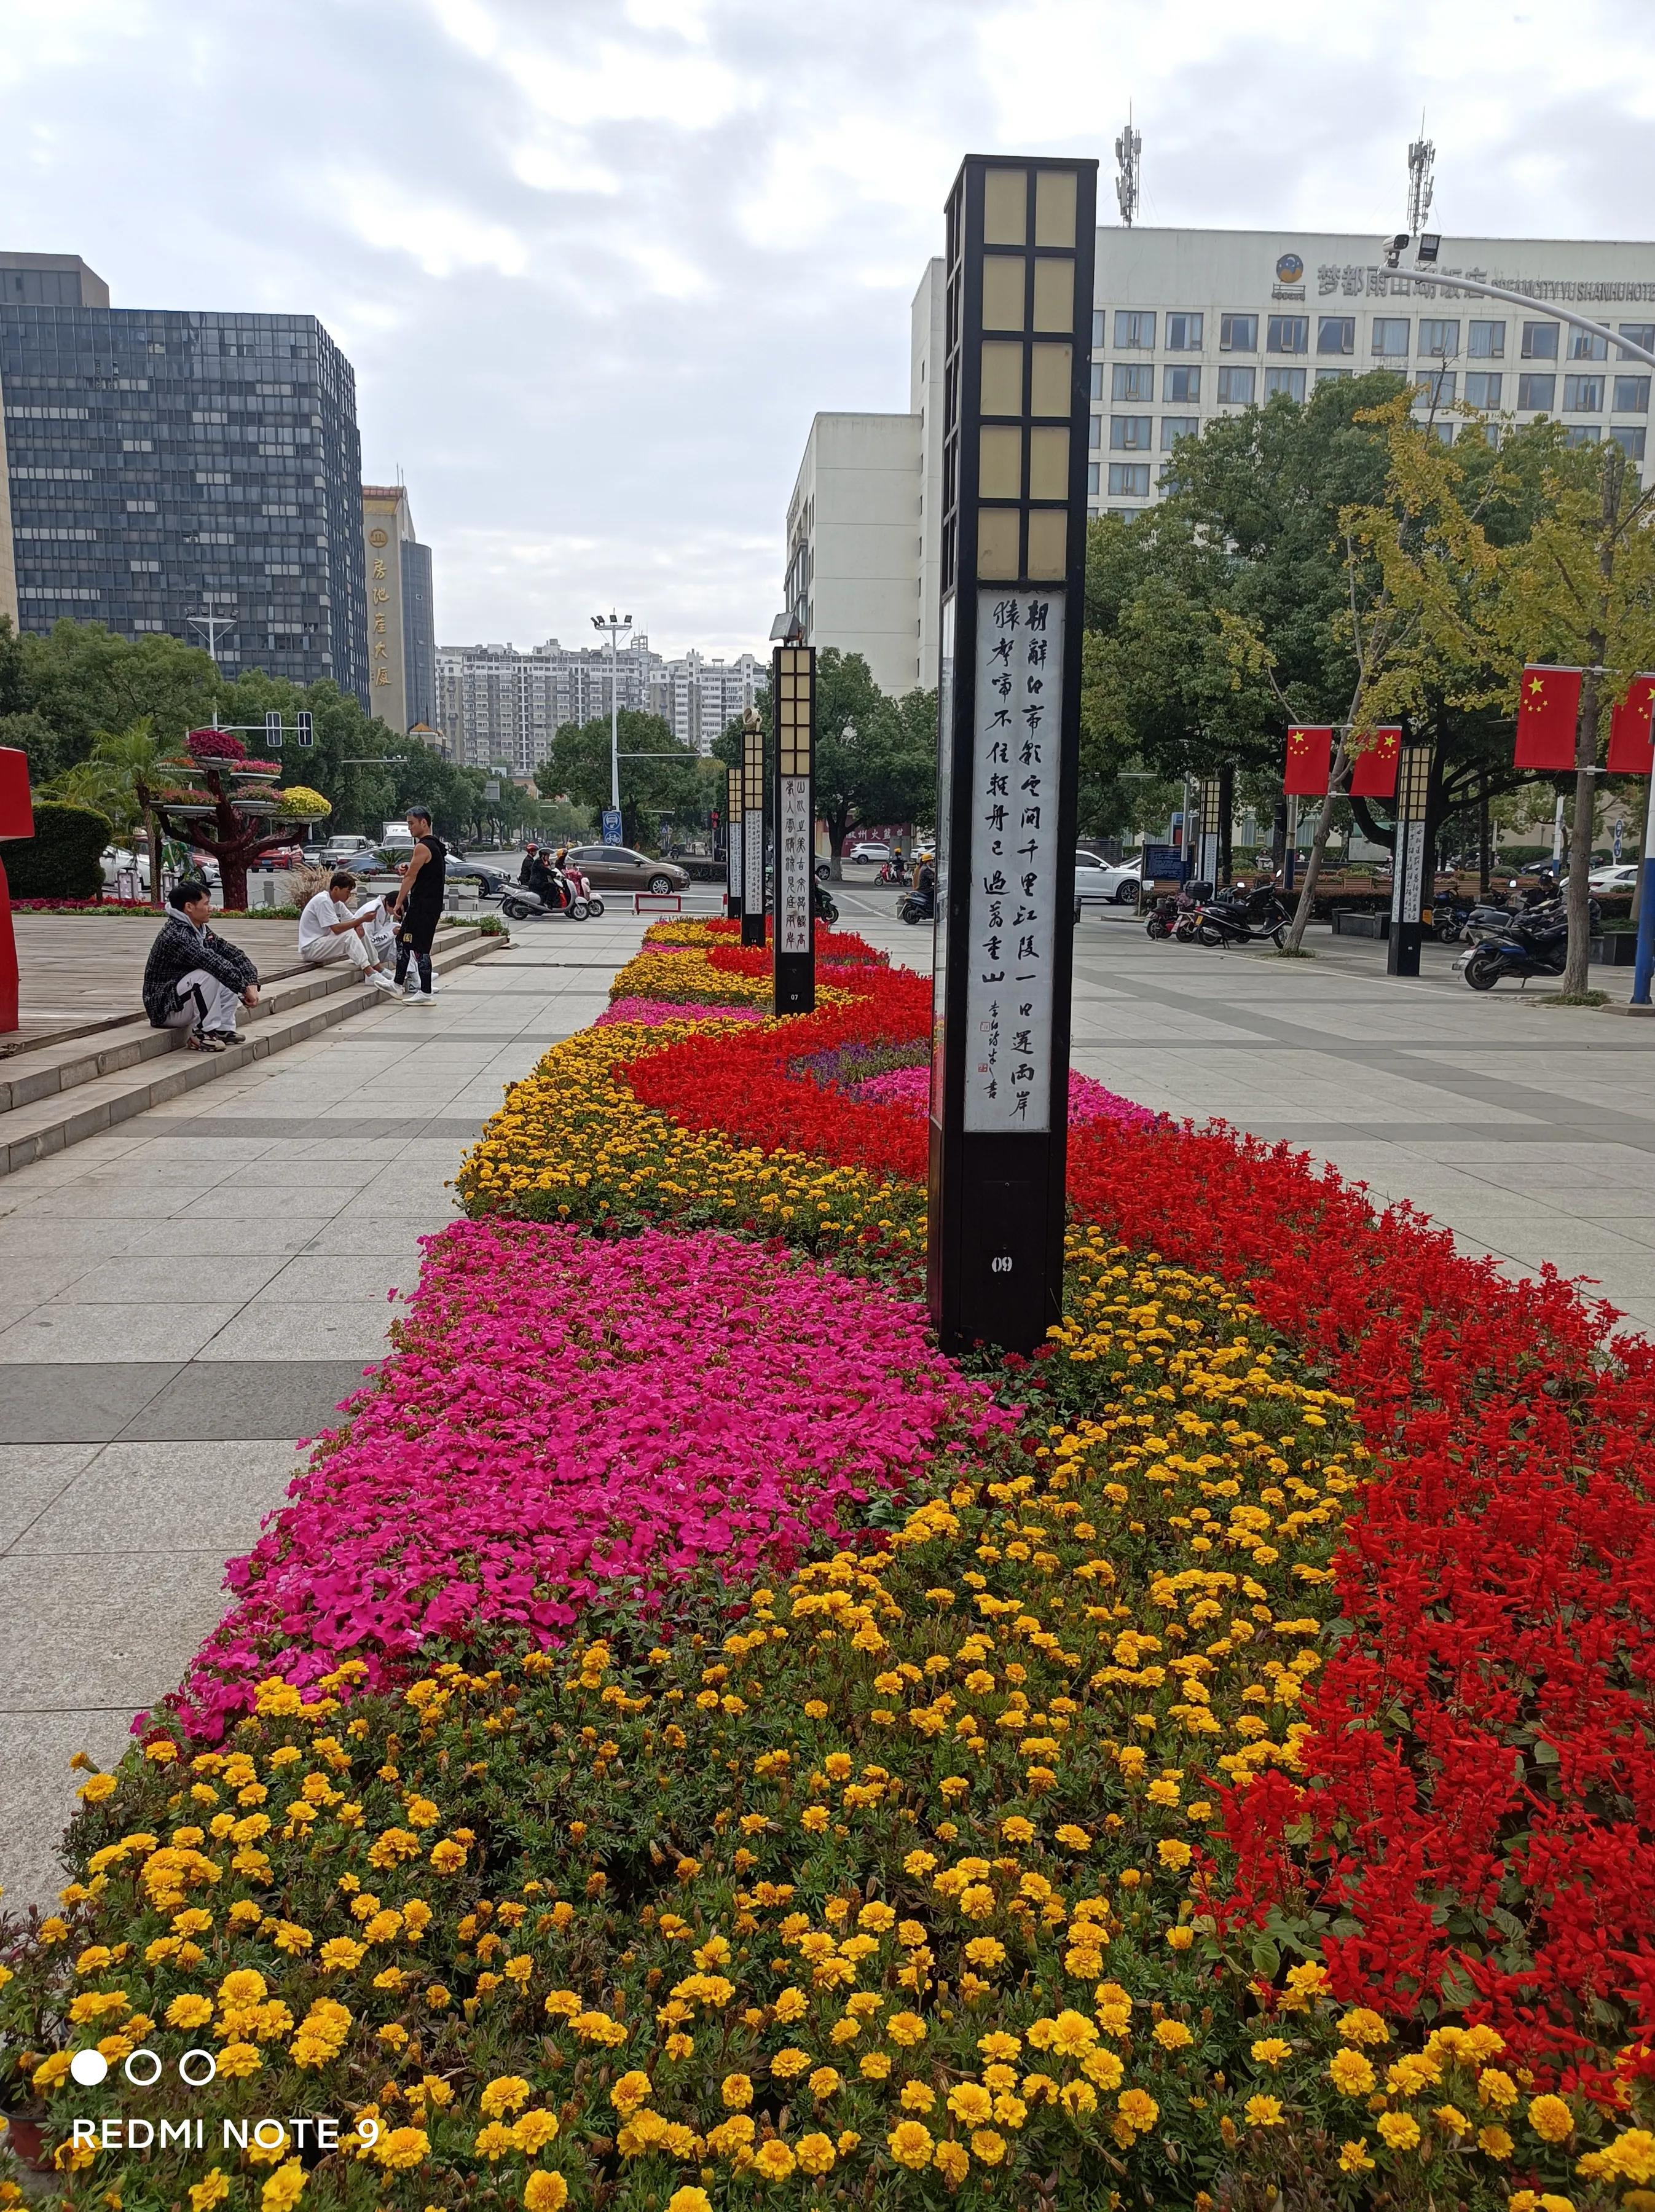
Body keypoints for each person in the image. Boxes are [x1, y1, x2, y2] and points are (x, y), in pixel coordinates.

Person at [141, 877, 260, 1052]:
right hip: (165, 1009)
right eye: (207, 904)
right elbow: (211, 962)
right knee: (208, 974)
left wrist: (251, 982)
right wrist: (244, 989)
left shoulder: (199, 929)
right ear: (189, 907)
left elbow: (235, 955)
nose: (211, 908)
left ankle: (222, 1029)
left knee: (225, 970)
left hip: (182, 1001)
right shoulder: (176, 935)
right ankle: (202, 1034)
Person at [298, 870, 399, 990]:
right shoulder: (323, 901)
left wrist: (359, 925)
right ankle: (369, 972)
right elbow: (336, 929)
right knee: (349, 934)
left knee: (359, 931)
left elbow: (353, 920)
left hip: (322, 943)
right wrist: (362, 920)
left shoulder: (337, 904)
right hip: (311, 948)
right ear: (336, 889)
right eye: (347, 892)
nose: (349, 895)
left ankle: (377, 967)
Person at [389, 804, 446, 1002]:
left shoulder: (422, 846)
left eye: (412, 823)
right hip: (430, 905)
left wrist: (398, 902)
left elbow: (410, 878)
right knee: (406, 942)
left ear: (424, 822)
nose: (409, 828)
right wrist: (410, 868)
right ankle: (398, 984)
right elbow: (424, 871)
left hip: (423, 906)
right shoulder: (435, 845)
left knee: (418, 947)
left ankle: (424, 991)